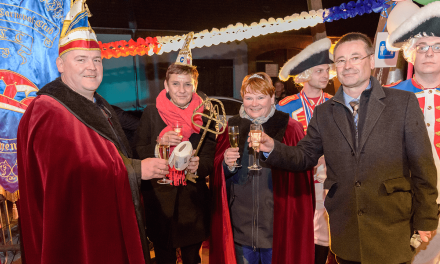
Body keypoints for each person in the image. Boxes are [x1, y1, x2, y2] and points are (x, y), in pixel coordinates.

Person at [255, 32, 439, 264]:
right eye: (341, 60)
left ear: (371, 61)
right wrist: (272, 147)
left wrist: (426, 219)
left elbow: (422, 166)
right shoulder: (324, 112)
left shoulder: (402, 103)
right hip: (346, 230)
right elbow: (304, 156)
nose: (347, 65)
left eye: (355, 58)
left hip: (391, 228)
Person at [17, 1, 174, 263]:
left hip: (102, 225)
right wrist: (135, 170)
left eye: (97, 60)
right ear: (60, 64)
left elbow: (111, 153)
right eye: (81, 60)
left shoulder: (98, 105)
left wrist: (151, 153)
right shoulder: (48, 109)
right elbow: (66, 176)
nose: (92, 67)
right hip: (78, 238)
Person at [386, 2, 440, 263]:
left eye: (438, 47)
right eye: (422, 47)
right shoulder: (389, 95)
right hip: (400, 205)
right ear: (411, 53)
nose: (429, 53)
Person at [210, 72, 314, 264]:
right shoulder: (232, 127)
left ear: (272, 98)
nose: (254, 103)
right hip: (240, 233)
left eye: (260, 97)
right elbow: (217, 174)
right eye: (249, 97)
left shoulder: (290, 128)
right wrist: (225, 164)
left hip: (277, 230)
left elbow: (302, 169)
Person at [134, 34, 216, 264]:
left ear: (195, 85)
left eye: (187, 84)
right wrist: (158, 144)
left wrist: (199, 166)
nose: (182, 90)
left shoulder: (206, 116)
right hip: (160, 202)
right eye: (176, 83)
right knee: (164, 258)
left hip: (192, 201)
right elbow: (137, 150)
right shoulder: (152, 113)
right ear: (166, 85)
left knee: (192, 259)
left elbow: (210, 157)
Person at [276, 37, 333, 264]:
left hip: (329, 179)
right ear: (306, 75)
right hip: (297, 179)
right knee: (298, 228)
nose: (326, 75)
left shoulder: (335, 102)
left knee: (323, 233)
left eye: (327, 70)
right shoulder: (286, 106)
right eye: (319, 70)